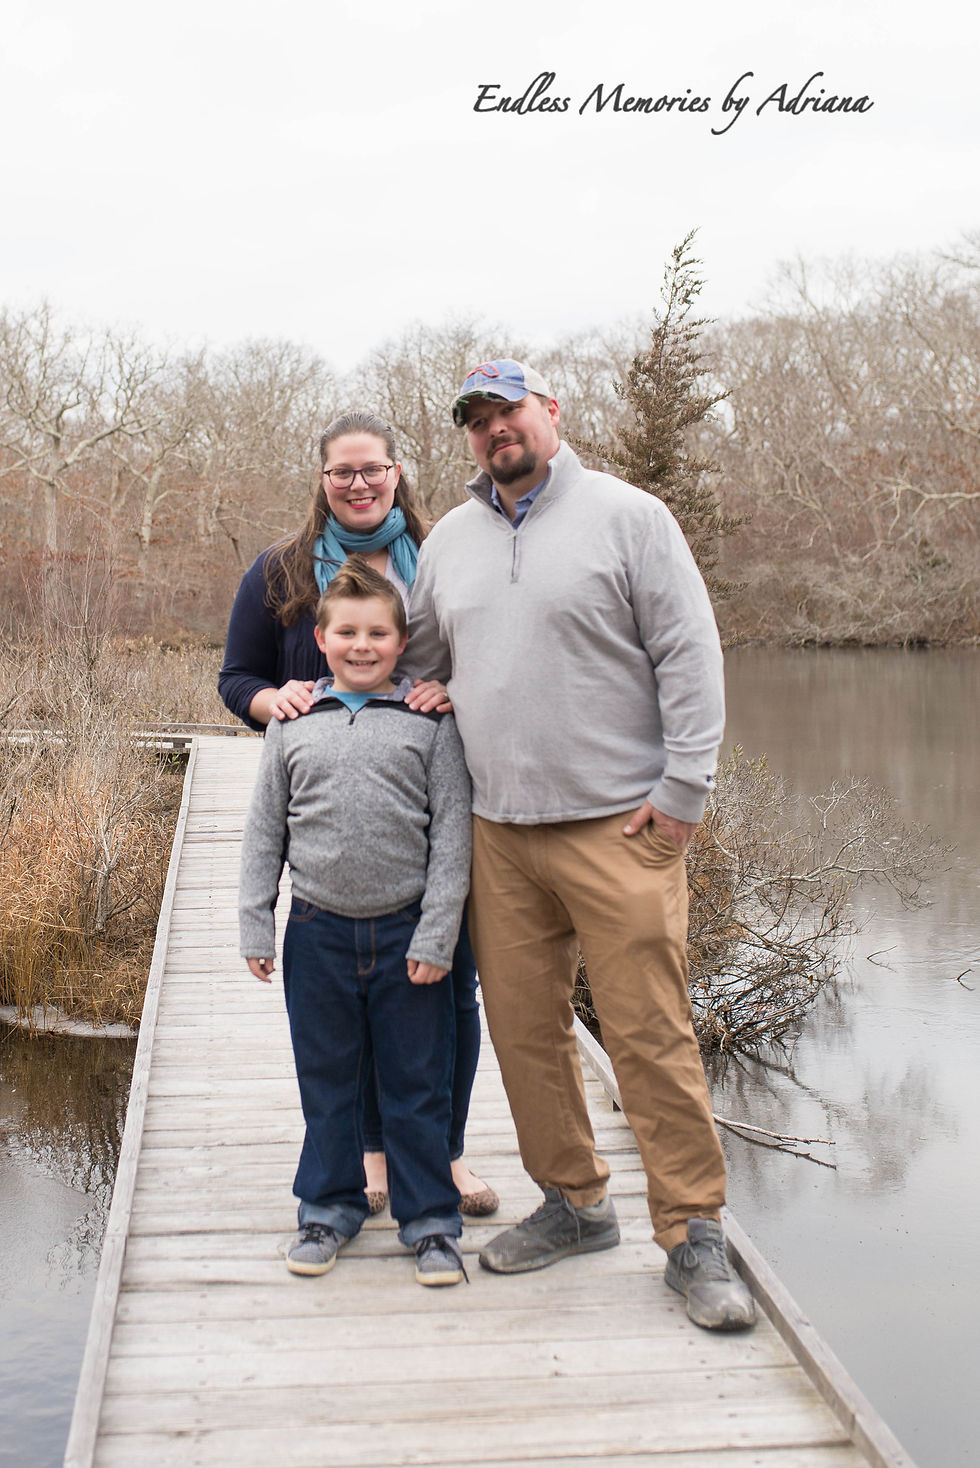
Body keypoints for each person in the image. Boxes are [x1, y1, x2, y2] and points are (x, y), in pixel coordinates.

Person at [403, 359, 756, 1331]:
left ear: (548, 412)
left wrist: (684, 789)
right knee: (523, 1031)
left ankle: (693, 1235)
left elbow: (688, 651)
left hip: (620, 825)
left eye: (506, 410)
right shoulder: (451, 543)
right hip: (498, 832)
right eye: (475, 419)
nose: (492, 429)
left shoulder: (628, 516)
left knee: (648, 1030)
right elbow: (427, 665)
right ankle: (573, 1203)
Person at [219, 410, 497, 1217]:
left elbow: (489, 654)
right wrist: (278, 698)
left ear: (397, 471)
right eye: (343, 472)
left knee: (450, 992)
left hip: (436, 785)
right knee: (355, 1010)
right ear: (322, 478)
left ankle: (441, 1153)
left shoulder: (445, 556)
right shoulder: (278, 573)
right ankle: (371, 1157)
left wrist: (460, 691)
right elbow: (237, 676)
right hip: (330, 799)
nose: (359, 483)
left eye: (373, 468)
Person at [239, 557, 471, 1285]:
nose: (362, 645)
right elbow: (263, 834)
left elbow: (453, 843)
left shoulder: (430, 727)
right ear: (322, 637)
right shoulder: (293, 724)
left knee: (416, 1085)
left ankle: (430, 1221)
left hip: (408, 937)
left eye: (378, 633)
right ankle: (328, 1209)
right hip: (317, 932)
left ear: (403, 644)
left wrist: (438, 935)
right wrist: (256, 922)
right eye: (347, 632)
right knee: (328, 1081)